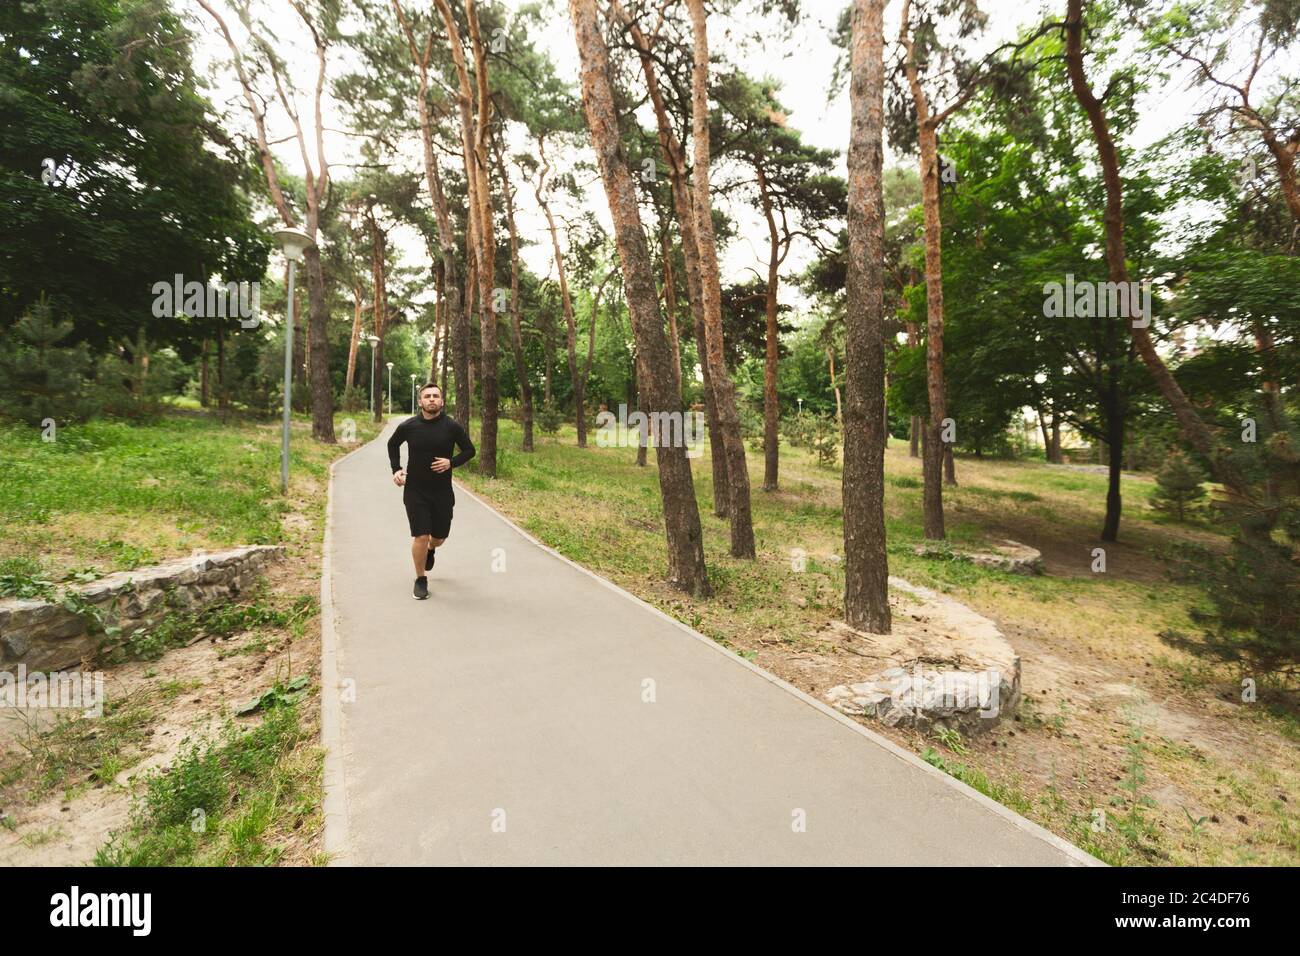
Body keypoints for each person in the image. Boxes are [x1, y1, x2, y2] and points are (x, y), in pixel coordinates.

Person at [387, 384, 475, 599]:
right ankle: (420, 579)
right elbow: (392, 444)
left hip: (442, 492)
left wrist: (450, 462)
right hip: (415, 490)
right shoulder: (409, 426)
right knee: (420, 534)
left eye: (436, 396)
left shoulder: (452, 427)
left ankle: (431, 549)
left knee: (438, 537)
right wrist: (396, 469)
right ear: (420, 402)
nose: (432, 399)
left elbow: (470, 450)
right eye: (427, 396)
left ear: (442, 401)